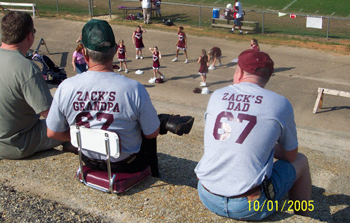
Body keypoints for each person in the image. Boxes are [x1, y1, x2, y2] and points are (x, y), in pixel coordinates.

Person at [46, 19, 194, 177]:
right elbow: (151, 134)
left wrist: (88, 139)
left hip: (88, 159)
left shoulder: (65, 87)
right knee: (147, 128)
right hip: (127, 164)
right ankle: (154, 170)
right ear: (116, 50)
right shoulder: (133, 89)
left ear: (84, 53)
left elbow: (53, 133)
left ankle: (164, 121)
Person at [195, 49, 312, 220]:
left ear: (240, 72)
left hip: (207, 195)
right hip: (248, 206)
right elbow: (292, 155)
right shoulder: (280, 104)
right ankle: (304, 215)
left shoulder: (217, 96)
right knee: (301, 161)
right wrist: (268, 146)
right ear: (268, 76)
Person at [0, 11, 72, 159]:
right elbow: (52, 115)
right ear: (29, 36)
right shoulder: (26, 68)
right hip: (17, 143)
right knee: (76, 123)